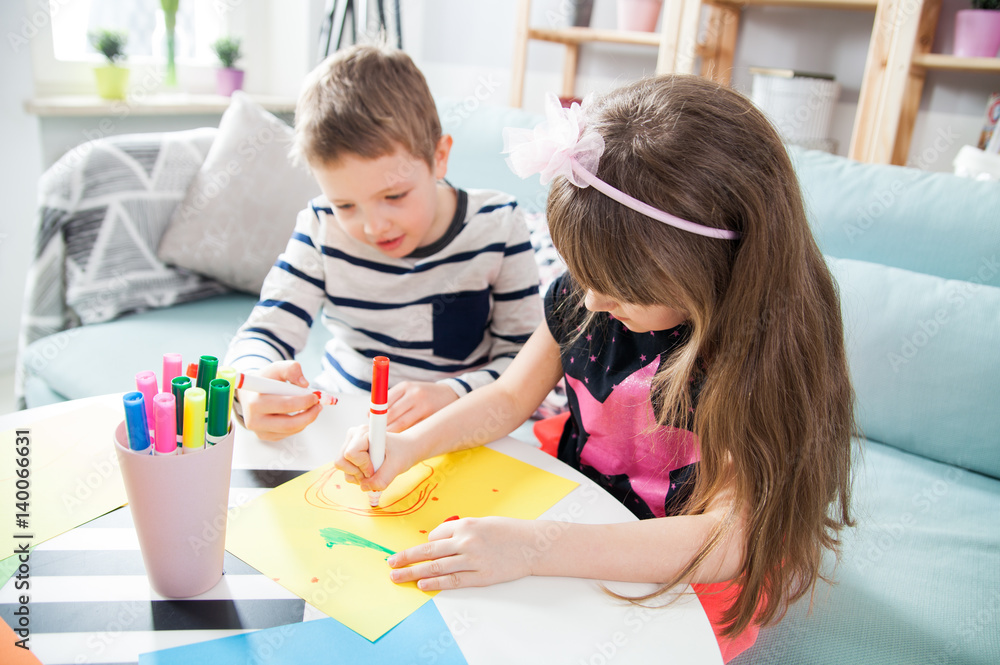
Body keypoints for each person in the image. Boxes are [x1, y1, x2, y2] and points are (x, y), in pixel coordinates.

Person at [335, 75, 855, 661]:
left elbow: (729, 537)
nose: (590, 303)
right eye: (584, 275)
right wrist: (410, 447)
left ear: (707, 269)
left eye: (618, 288)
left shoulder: (755, 352)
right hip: (583, 496)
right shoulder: (595, 294)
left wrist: (535, 549)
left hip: (684, 550)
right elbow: (509, 399)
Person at [224, 44, 542, 441]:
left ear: (439, 157)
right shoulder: (321, 227)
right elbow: (264, 333)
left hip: (461, 431)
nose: (374, 227)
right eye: (345, 204)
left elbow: (526, 364)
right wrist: (248, 387)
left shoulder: (497, 225)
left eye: (394, 196)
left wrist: (451, 395)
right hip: (344, 431)